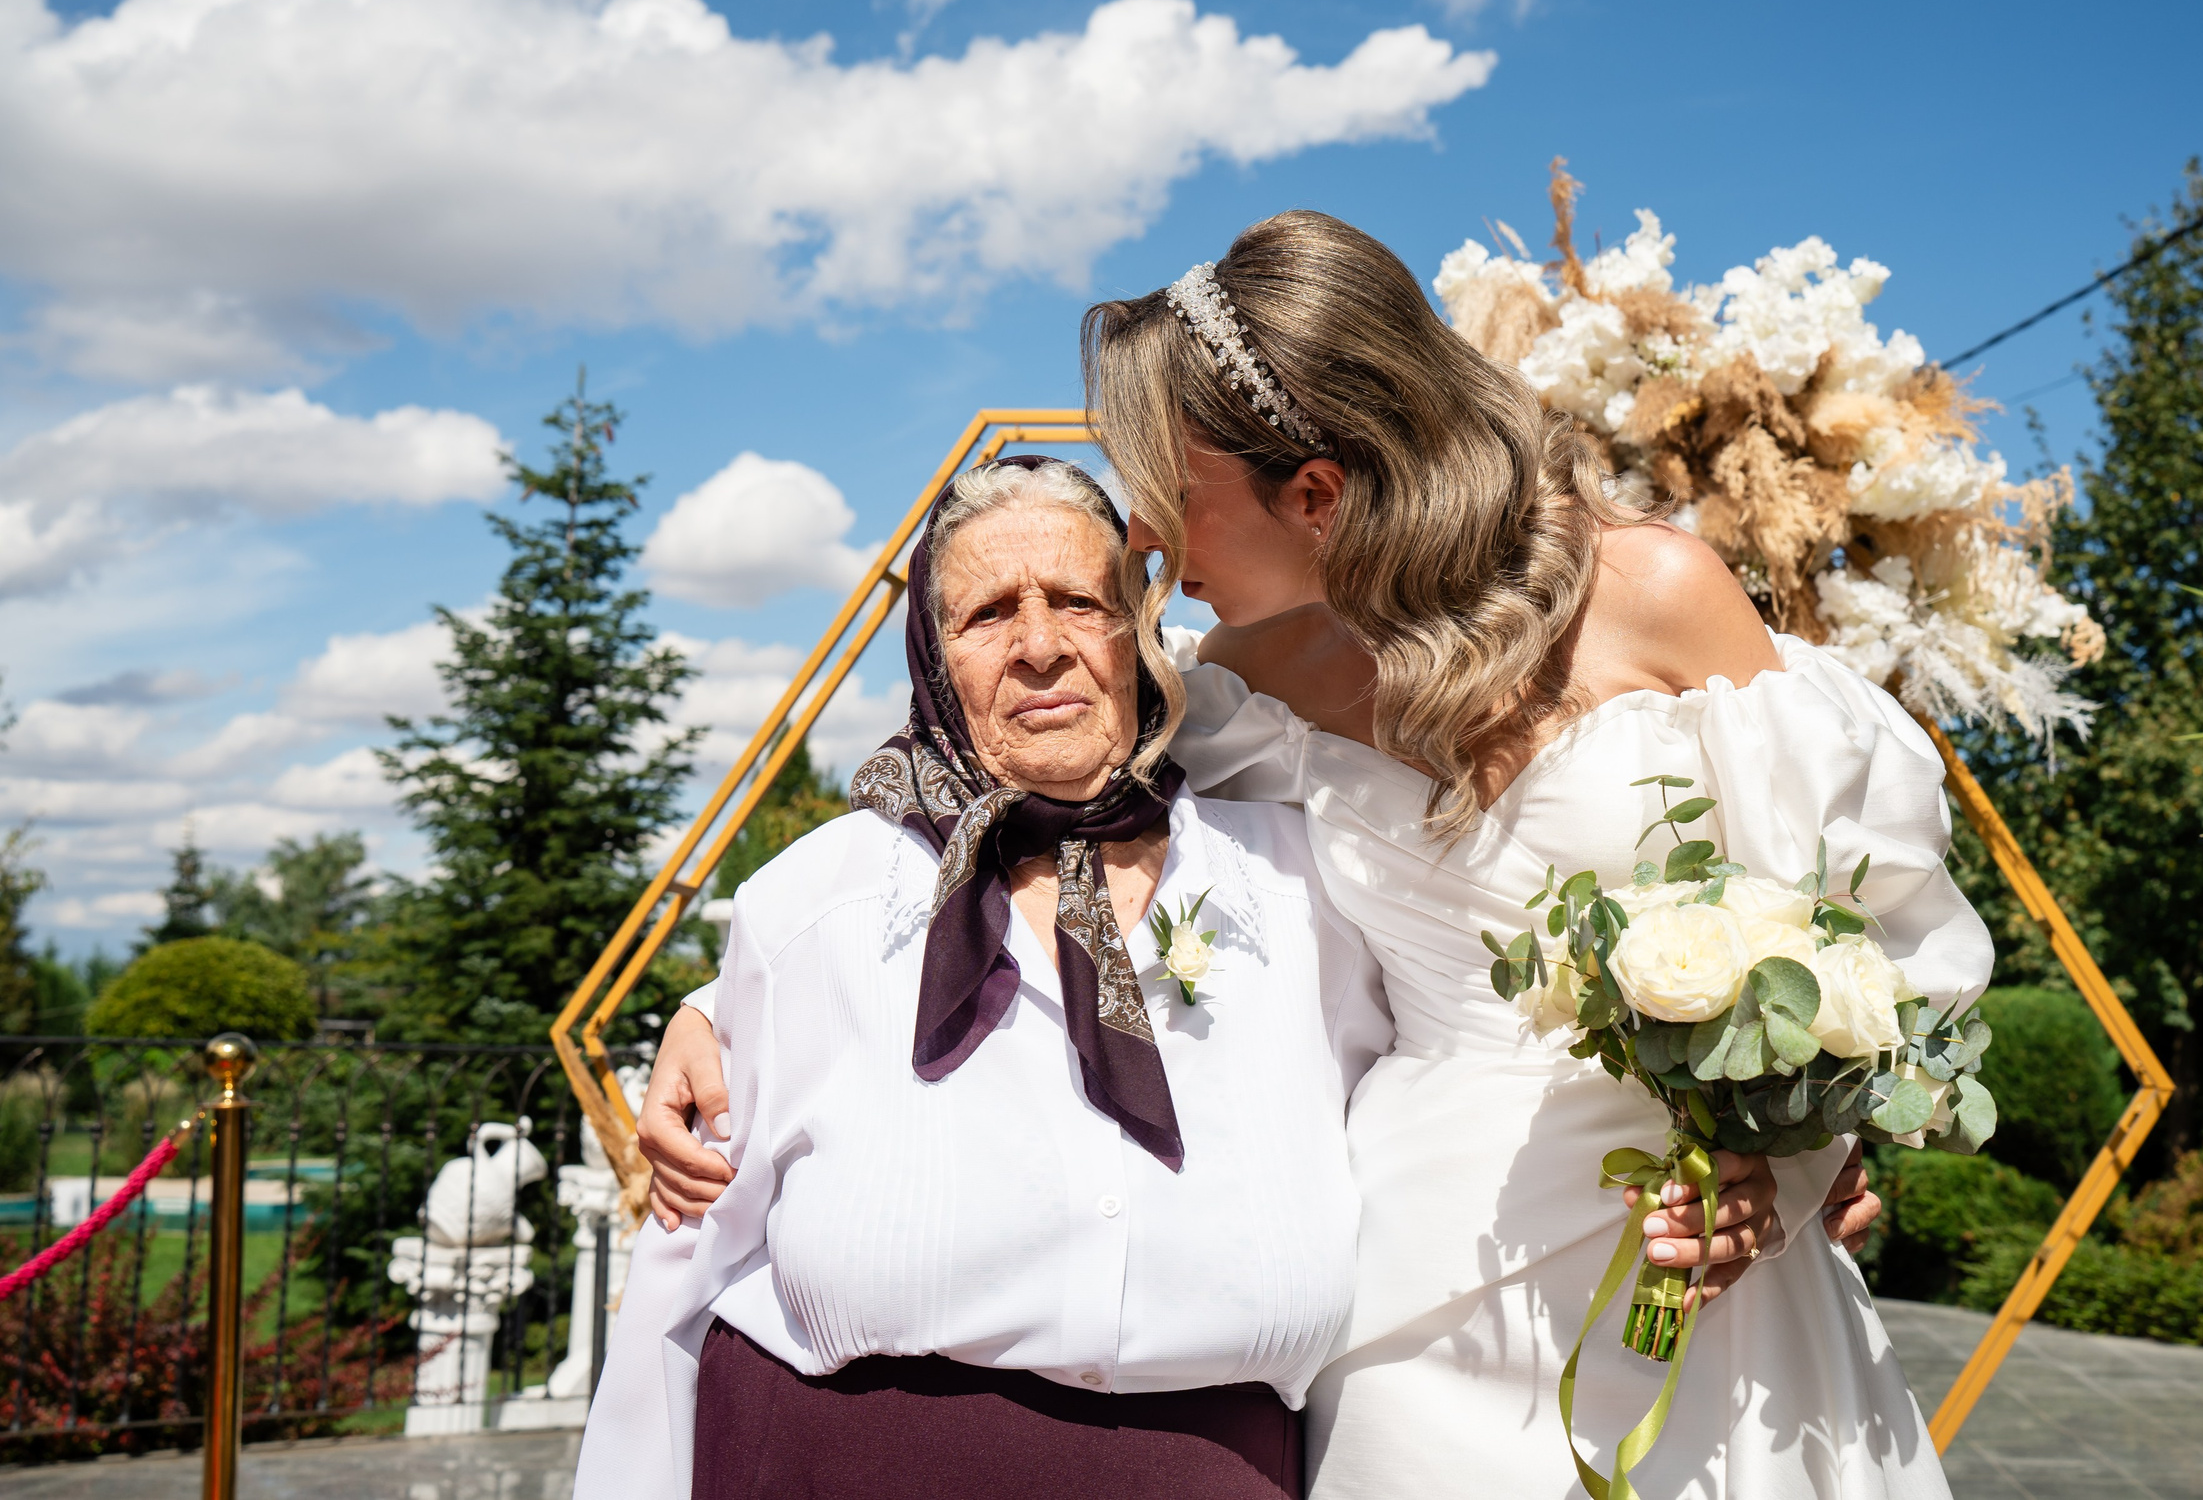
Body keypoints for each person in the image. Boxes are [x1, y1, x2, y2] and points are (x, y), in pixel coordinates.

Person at [644, 212, 1945, 1498]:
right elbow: (981, 796)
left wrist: (1789, 1153)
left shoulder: (1659, 594)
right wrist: (720, 1007)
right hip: (1420, 1280)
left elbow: (1865, 922)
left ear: (1314, 495)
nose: (1142, 536)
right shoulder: (1232, 691)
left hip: (1711, 1264)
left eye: (1168, 490)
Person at [582, 457, 1417, 1498]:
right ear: (935, 657)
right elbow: (685, 1258)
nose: (1037, 646)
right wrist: (710, 1008)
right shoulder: (817, 903)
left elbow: (1457, 1079)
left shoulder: (1305, 884)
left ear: (1140, 633)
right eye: (986, 614)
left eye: (1080, 601)